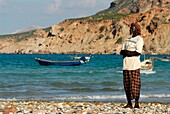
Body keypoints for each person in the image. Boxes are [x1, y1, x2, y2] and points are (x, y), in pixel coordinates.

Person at [120, 22, 144, 108]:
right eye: (131, 28)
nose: (132, 30)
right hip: (126, 64)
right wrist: (128, 52)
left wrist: (128, 52)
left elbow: (138, 52)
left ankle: (136, 102)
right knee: (127, 83)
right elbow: (122, 51)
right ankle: (129, 103)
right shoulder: (127, 39)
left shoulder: (139, 39)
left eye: (134, 28)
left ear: (137, 29)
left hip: (134, 65)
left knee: (135, 83)